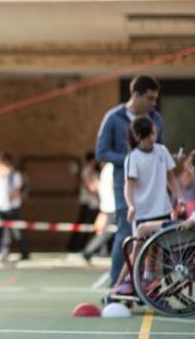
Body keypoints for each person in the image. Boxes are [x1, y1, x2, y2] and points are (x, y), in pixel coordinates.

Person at [96, 75, 163, 286]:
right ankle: (117, 285)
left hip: (153, 187)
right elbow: (101, 152)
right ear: (136, 95)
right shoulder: (113, 117)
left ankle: (145, 284)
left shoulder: (156, 118)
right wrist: (132, 159)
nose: (154, 104)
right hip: (125, 185)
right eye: (150, 98)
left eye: (155, 99)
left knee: (154, 235)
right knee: (125, 233)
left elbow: (159, 151)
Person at [109, 116, 184, 295]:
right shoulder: (133, 158)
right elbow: (129, 185)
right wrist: (131, 206)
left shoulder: (161, 151)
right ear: (138, 136)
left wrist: (179, 197)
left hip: (162, 208)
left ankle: (148, 280)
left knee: (157, 249)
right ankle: (125, 282)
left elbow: (171, 177)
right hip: (143, 211)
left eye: (153, 132)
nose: (153, 136)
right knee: (138, 249)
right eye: (149, 133)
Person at [82, 162, 116, 262]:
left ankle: (90, 250)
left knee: (105, 232)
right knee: (105, 232)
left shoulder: (106, 170)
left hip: (107, 205)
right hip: (111, 206)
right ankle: (89, 251)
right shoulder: (110, 169)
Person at [67, 151, 101, 251]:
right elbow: (88, 187)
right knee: (85, 225)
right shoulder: (87, 171)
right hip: (88, 202)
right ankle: (77, 246)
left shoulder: (91, 171)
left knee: (87, 225)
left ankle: (79, 246)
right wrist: (98, 195)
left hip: (90, 202)